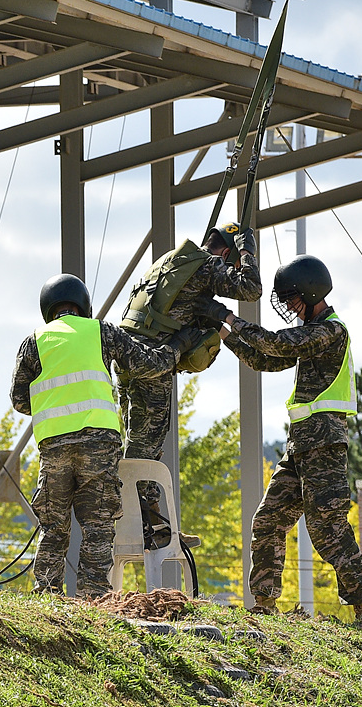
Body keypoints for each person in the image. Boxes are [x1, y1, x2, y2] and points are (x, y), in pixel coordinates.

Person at [198, 255, 362, 631]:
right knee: (267, 521)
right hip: (301, 447)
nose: (289, 307)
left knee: (328, 529)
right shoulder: (311, 334)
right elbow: (266, 359)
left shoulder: (330, 332)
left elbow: (277, 343)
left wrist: (231, 318)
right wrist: (224, 334)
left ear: (312, 292)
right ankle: (264, 605)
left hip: (324, 446)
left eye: (292, 299)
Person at [10, 274, 200, 597]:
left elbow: (18, 399)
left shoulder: (34, 342)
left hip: (54, 447)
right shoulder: (101, 332)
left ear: (48, 308)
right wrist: (178, 346)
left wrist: (54, 405)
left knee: (53, 528)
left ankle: (47, 598)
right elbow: (148, 364)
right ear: (83, 305)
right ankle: (94, 600)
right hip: (99, 445)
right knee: (97, 526)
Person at [118, 221, 262, 545]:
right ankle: (145, 526)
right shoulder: (209, 267)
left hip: (126, 355)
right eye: (233, 262)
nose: (233, 268)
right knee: (145, 450)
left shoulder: (171, 263)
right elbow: (251, 288)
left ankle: (152, 523)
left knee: (137, 444)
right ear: (225, 251)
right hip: (153, 361)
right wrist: (247, 249)